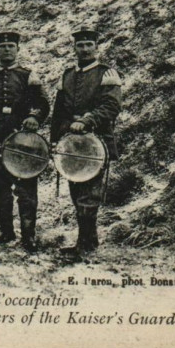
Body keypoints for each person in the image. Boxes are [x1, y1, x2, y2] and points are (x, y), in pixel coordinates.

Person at [0, 32, 50, 253]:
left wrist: (34, 117)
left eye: (10, 46)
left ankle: (28, 235)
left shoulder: (28, 76)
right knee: (0, 189)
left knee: (26, 189)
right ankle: (6, 232)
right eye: (2, 46)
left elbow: (43, 103)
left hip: (21, 137)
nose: (6, 50)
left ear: (17, 49)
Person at [51, 27, 122, 258]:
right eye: (80, 45)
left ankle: (84, 245)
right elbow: (58, 111)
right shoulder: (67, 76)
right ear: (74, 48)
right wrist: (55, 140)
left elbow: (112, 106)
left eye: (88, 45)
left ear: (96, 47)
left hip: (96, 142)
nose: (84, 50)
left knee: (88, 195)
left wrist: (87, 120)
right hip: (71, 143)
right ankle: (90, 240)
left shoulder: (107, 73)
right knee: (76, 192)